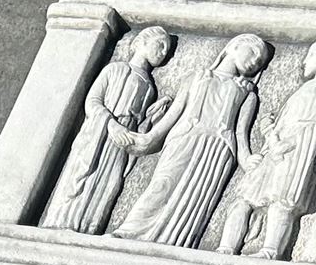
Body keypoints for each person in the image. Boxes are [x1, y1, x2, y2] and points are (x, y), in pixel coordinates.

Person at [114, 33, 271, 251]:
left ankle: (173, 245)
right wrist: (149, 138)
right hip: (184, 139)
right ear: (234, 46)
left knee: (194, 201)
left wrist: (247, 161)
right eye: (253, 52)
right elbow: (175, 113)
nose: (255, 61)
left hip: (217, 151)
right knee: (162, 184)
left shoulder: (247, 93)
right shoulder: (196, 77)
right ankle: (129, 231)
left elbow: (240, 133)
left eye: (260, 61)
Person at [215, 39, 316, 260]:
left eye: (310, 54)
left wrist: (291, 143)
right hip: (275, 149)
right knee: (243, 199)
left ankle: (270, 251)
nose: (304, 62)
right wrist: (269, 136)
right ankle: (225, 249)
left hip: (300, 151)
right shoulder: (306, 88)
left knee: (281, 203)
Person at [40, 26, 174, 235]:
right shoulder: (114, 69)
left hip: (121, 142)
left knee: (108, 183)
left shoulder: (149, 86)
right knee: (82, 177)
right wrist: (111, 124)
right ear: (142, 42)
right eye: (160, 44)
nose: (164, 52)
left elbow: (139, 122)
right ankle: (61, 223)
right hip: (99, 132)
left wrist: (152, 117)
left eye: (167, 49)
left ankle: (88, 228)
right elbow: (93, 101)